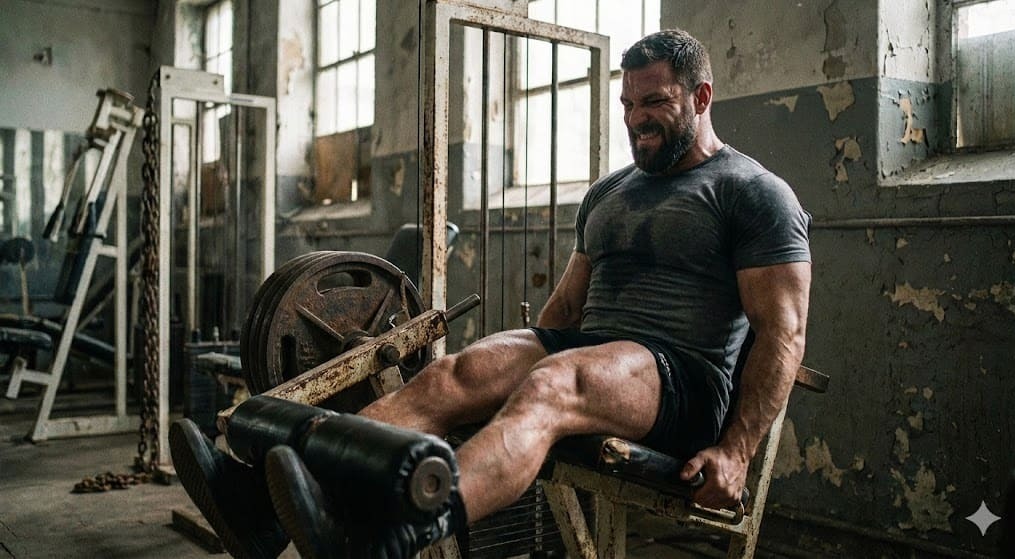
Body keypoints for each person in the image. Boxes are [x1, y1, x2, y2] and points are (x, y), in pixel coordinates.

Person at [172, 28, 811, 559]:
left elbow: (782, 331)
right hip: (593, 352)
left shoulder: (751, 192)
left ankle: (387, 534)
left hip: (681, 381)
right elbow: (565, 309)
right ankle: (265, 510)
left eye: (655, 103)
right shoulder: (609, 193)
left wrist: (736, 450)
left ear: (701, 96)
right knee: (454, 373)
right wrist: (501, 371)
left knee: (554, 384)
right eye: (627, 105)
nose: (637, 119)